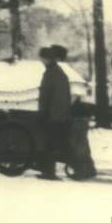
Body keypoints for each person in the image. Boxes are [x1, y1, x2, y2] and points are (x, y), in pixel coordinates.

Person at [37, 45, 73, 180]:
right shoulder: (59, 73)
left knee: (49, 143)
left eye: (42, 58)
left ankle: (48, 172)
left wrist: (42, 113)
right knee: (55, 143)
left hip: (53, 115)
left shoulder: (51, 73)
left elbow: (45, 96)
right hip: (61, 114)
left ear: (47, 59)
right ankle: (50, 170)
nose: (41, 61)